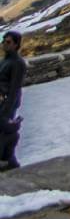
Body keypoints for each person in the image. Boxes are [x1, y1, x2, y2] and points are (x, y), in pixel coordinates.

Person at [0, 30, 25, 171]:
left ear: (16, 44)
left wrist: (7, 108)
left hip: (8, 103)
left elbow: (15, 87)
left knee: (6, 130)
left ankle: (9, 160)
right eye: (3, 41)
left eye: (8, 42)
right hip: (1, 101)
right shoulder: (4, 61)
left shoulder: (17, 63)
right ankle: (7, 160)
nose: (4, 44)